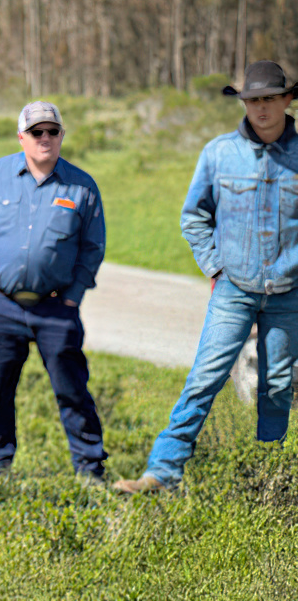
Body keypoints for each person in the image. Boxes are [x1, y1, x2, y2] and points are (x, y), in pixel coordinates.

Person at [114, 61, 298, 494]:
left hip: (289, 292)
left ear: (288, 100)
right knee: (205, 377)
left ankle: (268, 473)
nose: (261, 108)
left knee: (276, 384)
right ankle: (162, 473)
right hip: (234, 289)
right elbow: (194, 217)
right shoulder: (218, 153)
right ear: (243, 103)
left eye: (270, 98)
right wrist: (216, 267)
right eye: (253, 99)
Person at [0, 101, 107, 482]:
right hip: (0, 308)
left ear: (62, 136)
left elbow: (93, 247)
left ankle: (90, 469)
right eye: (36, 132)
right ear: (21, 137)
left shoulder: (82, 185)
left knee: (73, 392)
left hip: (56, 310)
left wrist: (73, 295)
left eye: (52, 131)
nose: (45, 138)